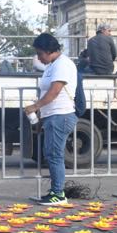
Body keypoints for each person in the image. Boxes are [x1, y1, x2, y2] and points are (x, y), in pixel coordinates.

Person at [23, 33, 77, 206]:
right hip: (52, 116)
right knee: (51, 154)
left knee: (54, 155)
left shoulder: (63, 64)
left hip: (61, 115)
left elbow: (54, 91)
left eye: (40, 53)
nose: (39, 58)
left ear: (48, 50)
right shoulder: (52, 66)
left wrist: (35, 107)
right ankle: (56, 191)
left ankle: (58, 193)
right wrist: (41, 115)